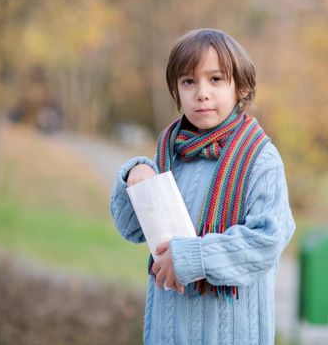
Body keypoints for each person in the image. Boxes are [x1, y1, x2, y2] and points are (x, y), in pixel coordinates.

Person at [110, 28, 295, 344]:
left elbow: (266, 241)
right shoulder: (170, 153)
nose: (202, 92)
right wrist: (135, 174)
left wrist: (190, 258)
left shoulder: (260, 158)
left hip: (229, 334)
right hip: (168, 332)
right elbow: (131, 229)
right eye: (188, 81)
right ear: (176, 91)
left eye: (216, 79)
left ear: (241, 88)